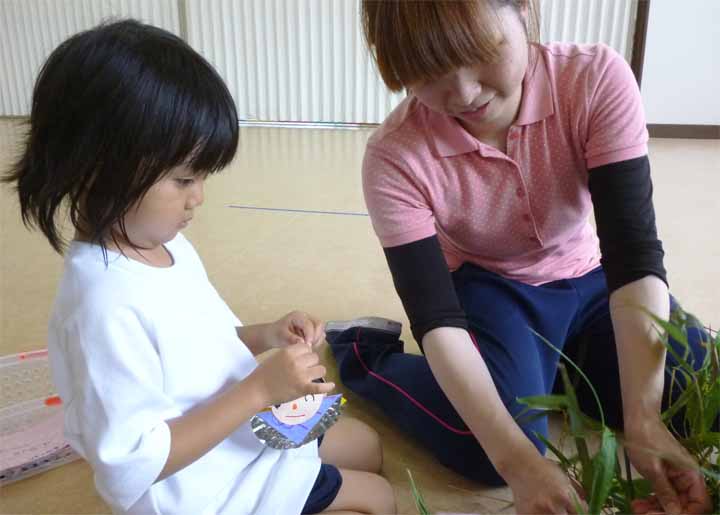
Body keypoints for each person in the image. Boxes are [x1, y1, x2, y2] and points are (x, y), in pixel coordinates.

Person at [326, 1, 714, 514]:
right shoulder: (395, 156)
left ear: (524, 10)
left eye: (480, 51)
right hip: (492, 287)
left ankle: (559, 367)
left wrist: (644, 418)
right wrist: (516, 460)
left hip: (593, 276)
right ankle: (364, 350)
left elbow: (633, 254)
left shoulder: (594, 78)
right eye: (428, 72)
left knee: (697, 386)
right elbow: (437, 319)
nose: (464, 93)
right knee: (484, 449)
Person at [3, 20, 395, 515]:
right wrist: (259, 390)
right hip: (204, 490)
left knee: (367, 446)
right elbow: (133, 465)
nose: (198, 198)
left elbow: (197, 350)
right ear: (96, 168)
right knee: (378, 499)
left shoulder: (164, 244)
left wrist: (266, 334)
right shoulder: (101, 308)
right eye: (184, 180)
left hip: (239, 438)